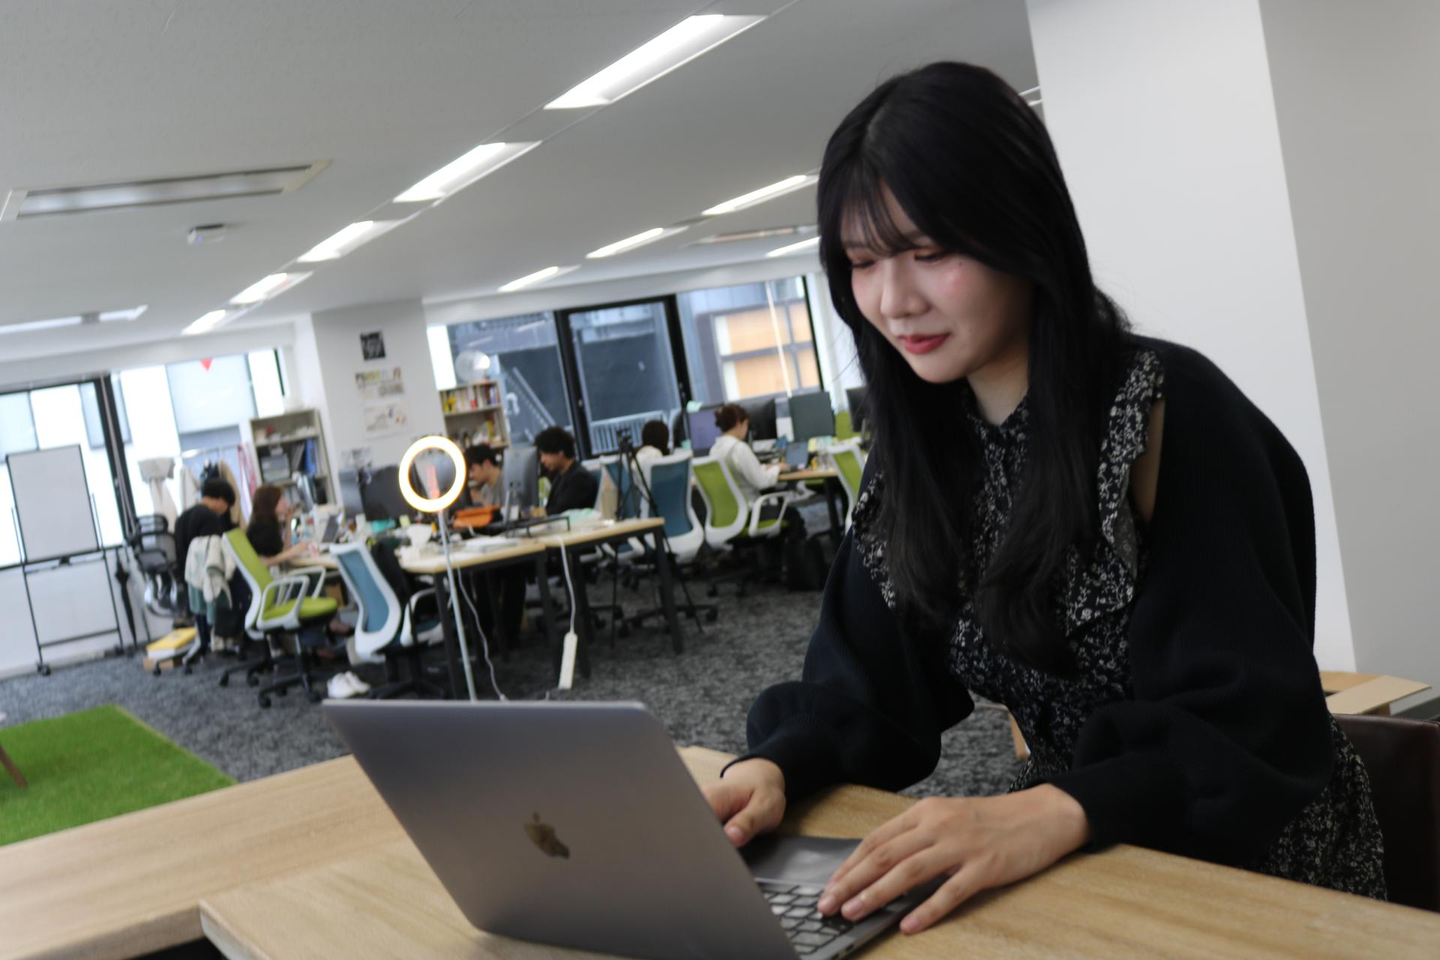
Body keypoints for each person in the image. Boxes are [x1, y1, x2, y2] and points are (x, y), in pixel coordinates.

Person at [702, 60, 1386, 939]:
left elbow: (1255, 725)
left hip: (1249, 869)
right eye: (863, 263)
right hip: (1071, 845)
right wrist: (776, 766)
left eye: (930, 253)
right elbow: (869, 683)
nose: (893, 301)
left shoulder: (1166, 413)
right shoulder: (922, 449)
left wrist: (1050, 811)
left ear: (1022, 229)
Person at [173, 478, 235, 650]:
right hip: (207, 582)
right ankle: (228, 635)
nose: (225, 510)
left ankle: (205, 638)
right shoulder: (209, 518)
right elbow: (214, 557)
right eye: (227, 505)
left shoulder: (182, 518)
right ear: (220, 499)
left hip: (188, 578)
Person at [708, 404, 780, 504]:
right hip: (751, 508)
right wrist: (778, 468)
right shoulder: (739, 448)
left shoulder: (714, 449)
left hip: (733, 509)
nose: (746, 429)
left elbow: (737, 472)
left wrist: (764, 467)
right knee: (792, 512)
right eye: (746, 424)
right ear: (739, 423)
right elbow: (762, 481)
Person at [245, 484, 319, 567]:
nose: (285, 501)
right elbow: (263, 562)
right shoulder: (261, 528)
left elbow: (284, 551)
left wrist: (288, 521)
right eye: (280, 499)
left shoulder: (267, 523)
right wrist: (294, 551)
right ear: (270, 504)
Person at [535, 426, 598, 515]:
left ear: (560, 451)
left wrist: (538, 513)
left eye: (545, 454)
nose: (542, 460)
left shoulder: (580, 478)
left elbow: (560, 511)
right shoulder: (560, 475)